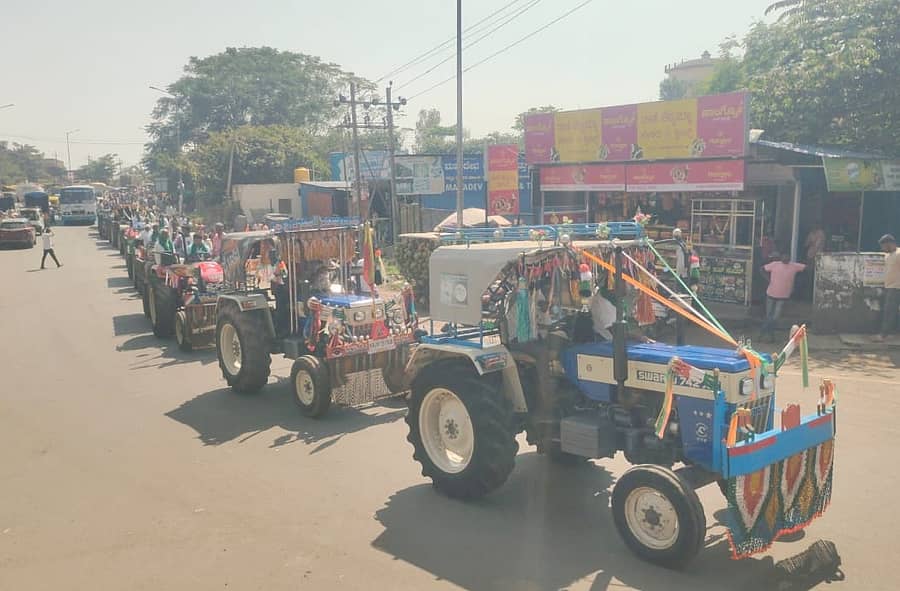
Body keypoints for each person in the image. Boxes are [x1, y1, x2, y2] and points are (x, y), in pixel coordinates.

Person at [761, 252, 806, 340]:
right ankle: (768, 333)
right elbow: (762, 269)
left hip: (783, 296)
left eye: (787, 256)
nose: (785, 258)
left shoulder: (794, 266)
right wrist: (767, 279)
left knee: (775, 317)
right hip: (771, 294)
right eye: (784, 256)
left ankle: (766, 332)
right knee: (769, 316)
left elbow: (807, 268)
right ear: (781, 257)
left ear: (789, 258)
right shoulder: (775, 264)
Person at [873, 234, 900, 342]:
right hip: (889, 287)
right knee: (890, 311)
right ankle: (890, 333)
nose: (882, 248)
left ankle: (883, 335)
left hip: (896, 287)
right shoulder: (888, 255)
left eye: (883, 246)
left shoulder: (899, 254)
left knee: (889, 311)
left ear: (889, 244)